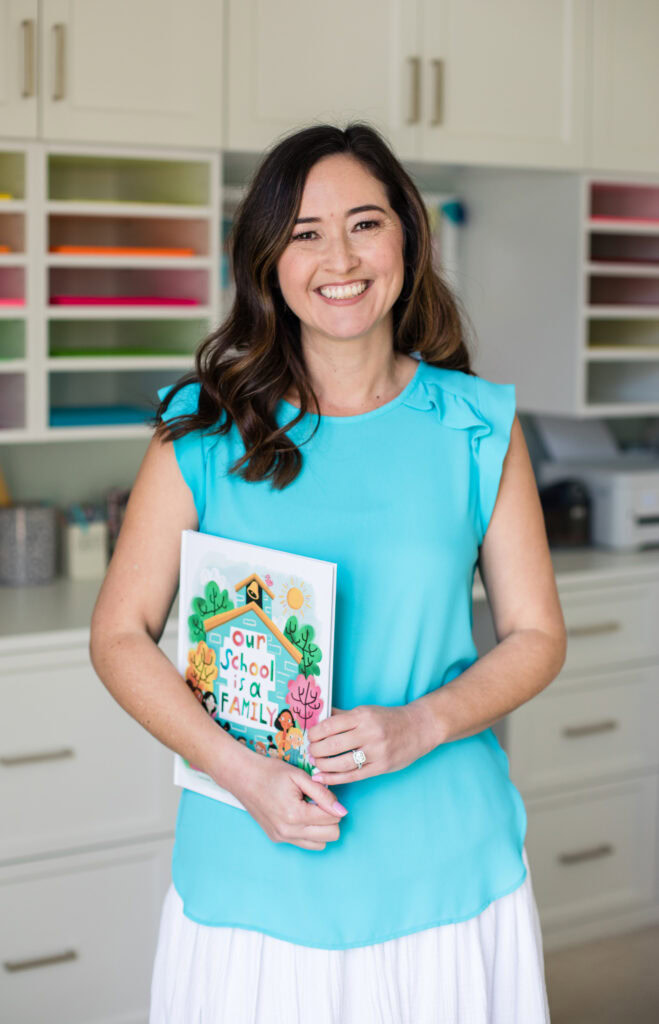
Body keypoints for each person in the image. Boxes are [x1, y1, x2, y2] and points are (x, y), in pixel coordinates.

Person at [89, 121, 567, 1023]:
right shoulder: (201, 427)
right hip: (256, 870)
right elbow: (118, 636)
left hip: (446, 867)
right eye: (304, 232)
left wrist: (423, 723)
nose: (338, 258)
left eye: (364, 223)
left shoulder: (476, 427)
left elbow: (537, 636)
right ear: (268, 259)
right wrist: (241, 774)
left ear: (407, 239)